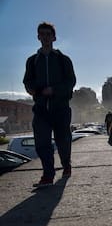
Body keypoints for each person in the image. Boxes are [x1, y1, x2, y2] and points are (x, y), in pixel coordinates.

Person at [23, 22, 76, 187]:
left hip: (61, 108)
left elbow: (71, 81)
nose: (45, 37)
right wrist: (37, 91)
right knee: (42, 143)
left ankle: (66, 164)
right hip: (40, 110)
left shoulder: (63, 60)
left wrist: (54, 90)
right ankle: (48, 175)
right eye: (42, 34)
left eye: (48, 34)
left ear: (54, 37)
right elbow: (27, 82)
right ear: (38, 37)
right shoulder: (32, 61)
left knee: (63, 141)